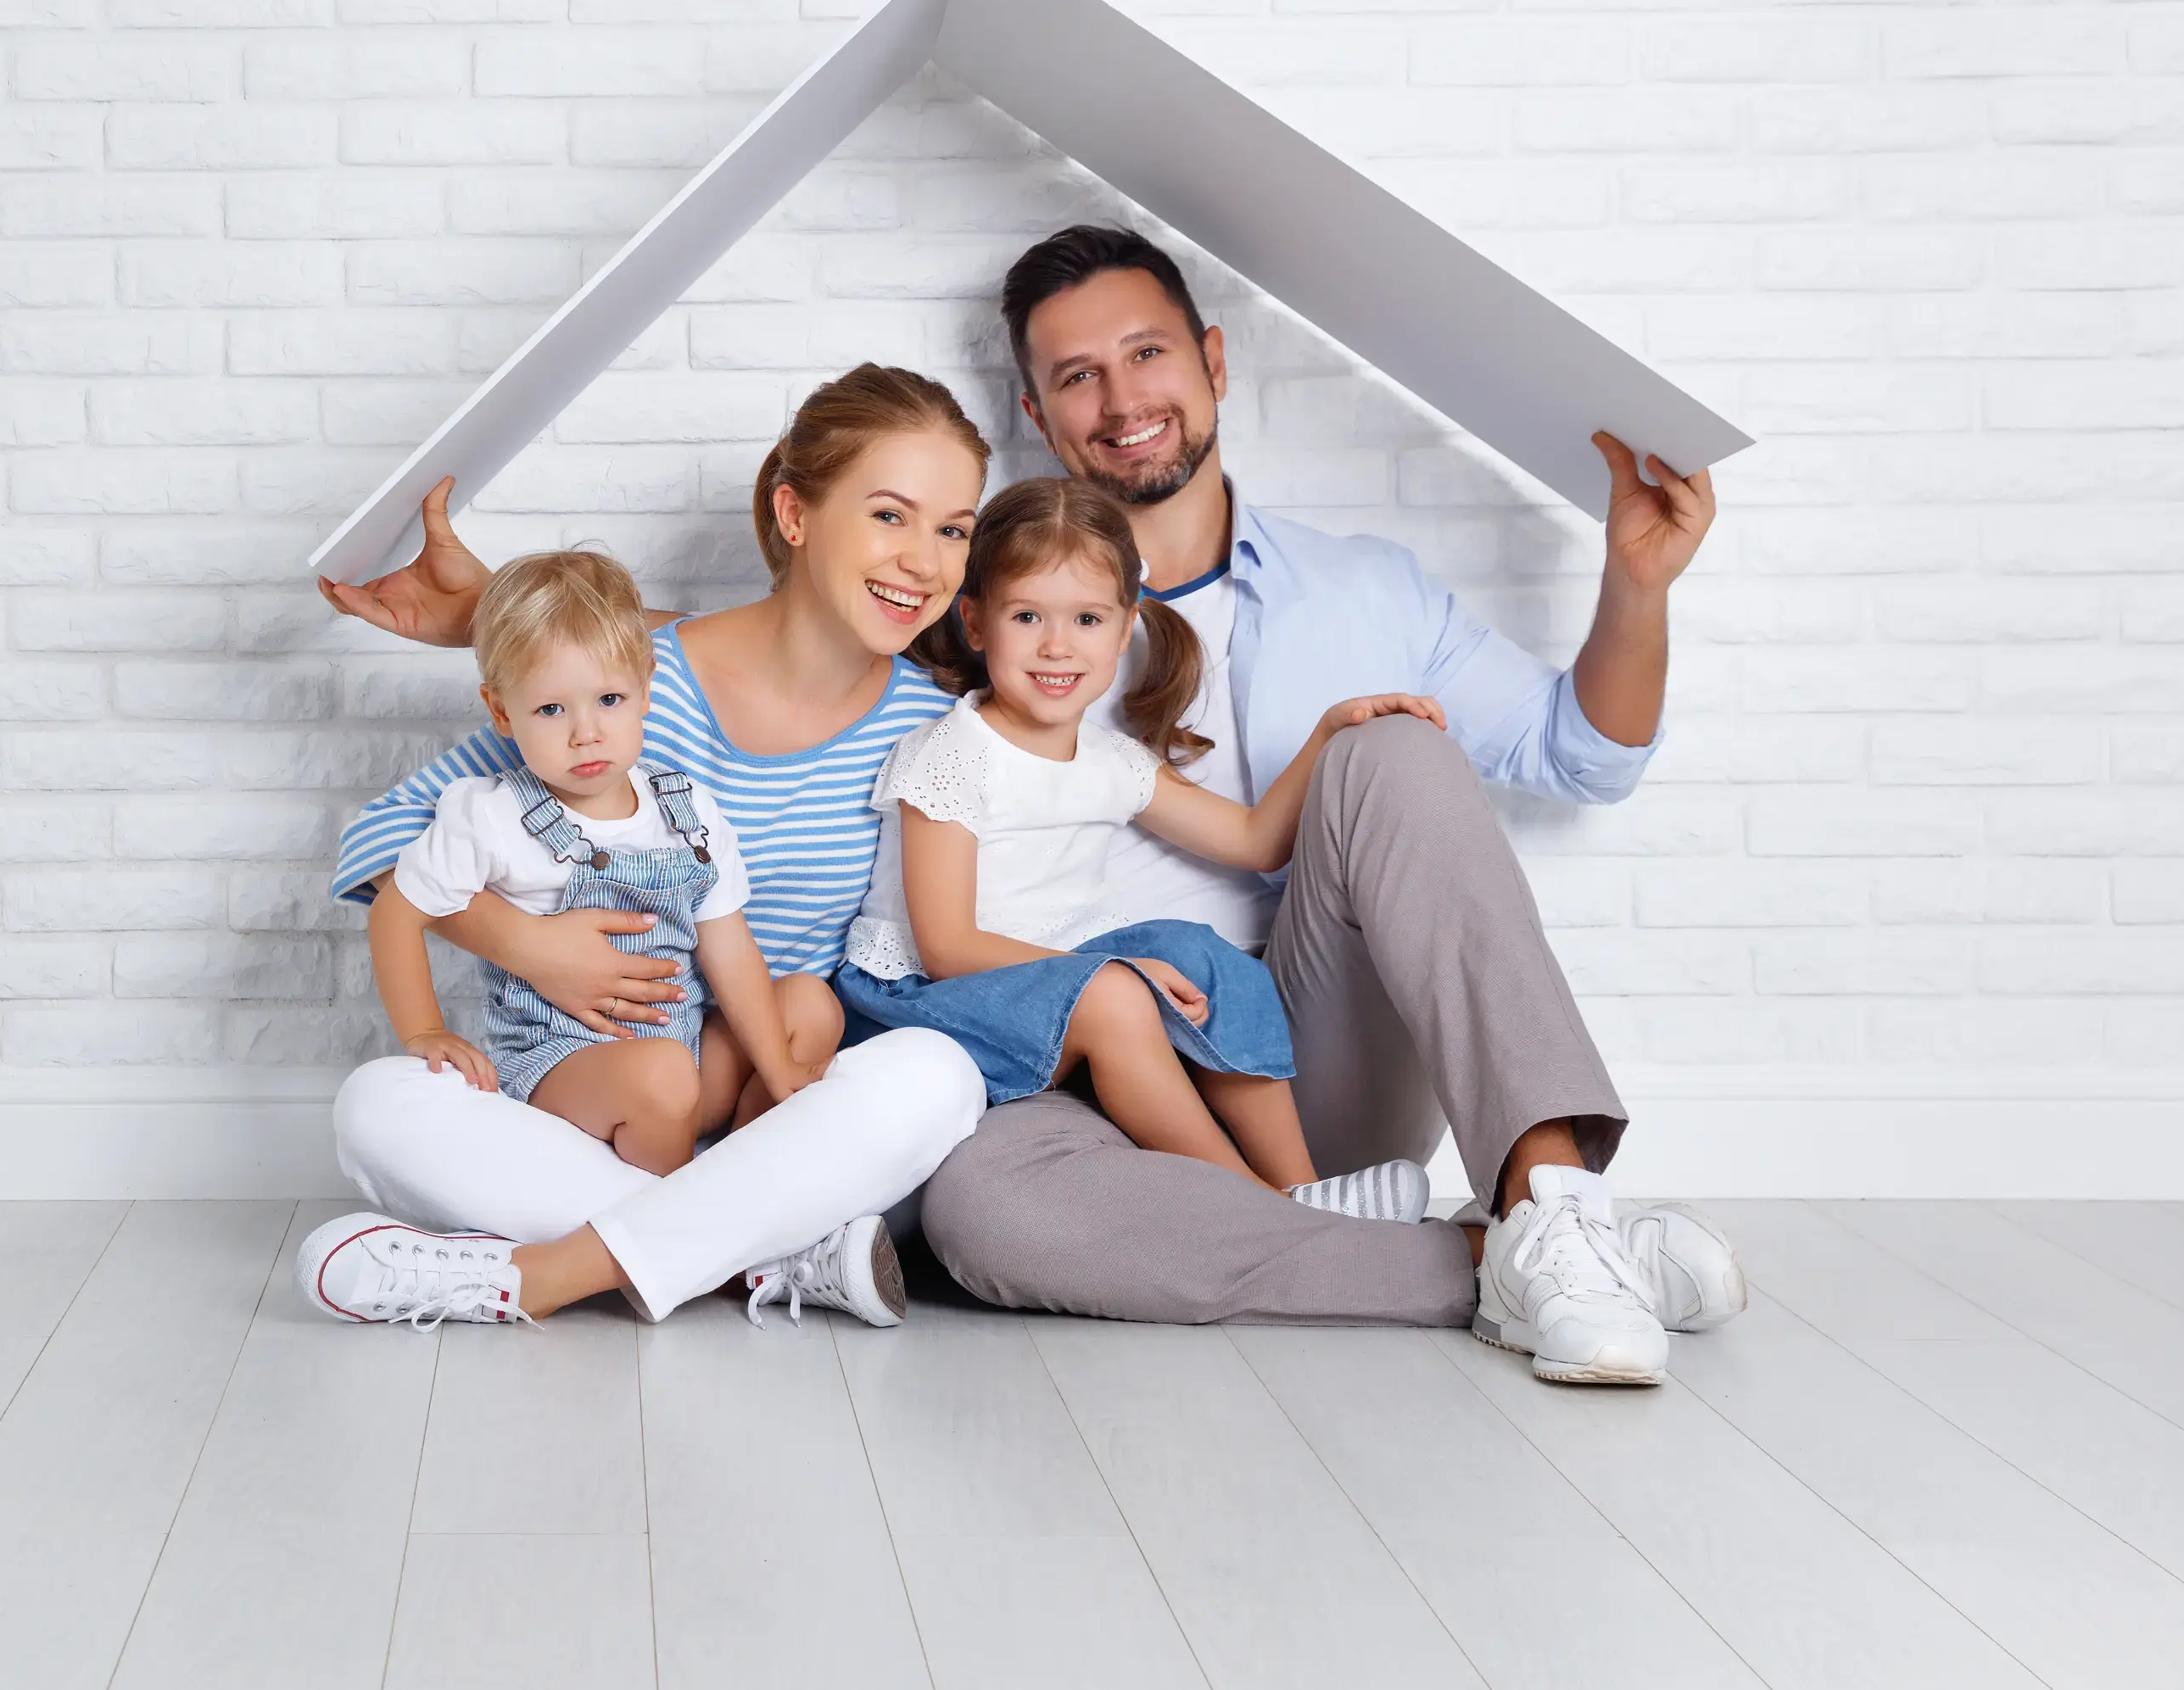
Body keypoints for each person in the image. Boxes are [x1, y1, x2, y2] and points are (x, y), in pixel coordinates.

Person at [911, 223, 1746, 1383]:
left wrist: (1638, 585)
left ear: (1212, 361)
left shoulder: (1367, 590)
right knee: (980, 1212)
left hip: (1302, 1063)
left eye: (1147, 353)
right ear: (1037, 413)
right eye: (1077, 375)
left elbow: (1583, 754)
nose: (1121, 398)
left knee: (1387, 748)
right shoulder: (990, 619)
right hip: (1083, 1079)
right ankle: (1523, 1260)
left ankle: (1550, 1192)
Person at [299, 365, 991, 1333]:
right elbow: (381, 839)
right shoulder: (632, 682)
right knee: (378, 1103)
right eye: (889, 515)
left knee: (935, 1074)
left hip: (767, 1107)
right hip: (598, 1094)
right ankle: (754, 1251)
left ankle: (540, 1273)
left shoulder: (934, 734)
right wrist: (529, 945)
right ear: (794, 513)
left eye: (953, 528)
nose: (923, 559)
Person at [835, 477, 1440, 1222]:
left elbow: (1254, 842)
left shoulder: (1109, 759)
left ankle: (1304, 1185)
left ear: (1124, 631)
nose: (1057, 645)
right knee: (1118, 993)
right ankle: (1270, 1212)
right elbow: (947, 945)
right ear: (976, 623)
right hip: (920, 999)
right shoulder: (953, 754)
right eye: (1027, 615)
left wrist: (1326, 734)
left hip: (1050, 977)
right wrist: (1111, 971)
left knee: (1202, 955)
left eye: (1087, 618)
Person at [355, 547, 834, 1171]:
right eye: (551, 709)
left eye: (608, 699)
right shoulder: (491, 816)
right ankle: (663, 1246)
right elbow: (394, 911)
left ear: (645, 690)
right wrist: (425, 1030)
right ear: (502, 710)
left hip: (680, 1053)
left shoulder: (687, 808)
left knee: (807, 1003)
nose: (585, 732)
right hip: (566, 1073)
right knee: (661, 1074)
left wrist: (777, 1069)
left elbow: (729, 948)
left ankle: (738, 1191)